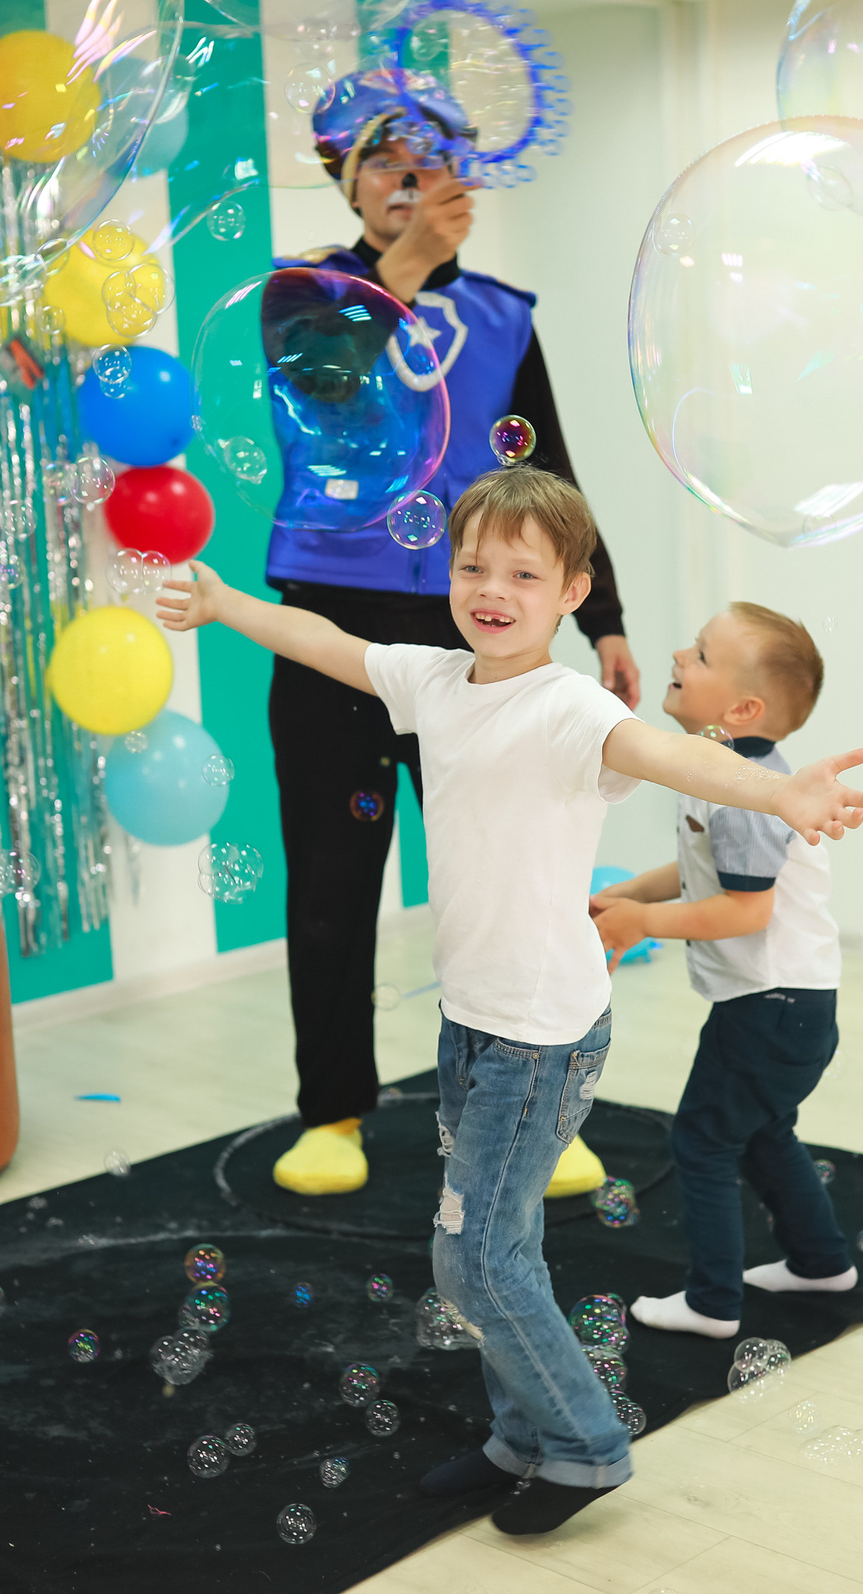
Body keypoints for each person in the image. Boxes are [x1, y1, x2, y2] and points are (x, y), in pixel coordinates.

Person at [159, 466, 863, 1533]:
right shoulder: (436, 681)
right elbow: (326, 643)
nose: (491, 589)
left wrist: (779, 789)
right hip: (473, 1019)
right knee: (496, 1243)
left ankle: (585, 1446)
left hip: (543, 1032)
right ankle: (518, 1437)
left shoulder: (570, 706)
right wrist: (220, 607)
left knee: (472, 1254)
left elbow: (673, 754)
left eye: (523, 574)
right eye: (471, 567)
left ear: (572, 591)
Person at [264, 69, 642, 1200]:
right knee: (332, 882)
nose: (416, 178)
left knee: (512, 878)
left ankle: (538, 1100)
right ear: (344, 179)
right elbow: (327, 383)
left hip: (480, 635)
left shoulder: (502, 314)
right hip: (330, 627)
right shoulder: (300, 294)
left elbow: (550, 474)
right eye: (387, 158)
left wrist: (607, 617)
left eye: (436, 159)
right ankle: (331, 1111)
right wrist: (410, 269)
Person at [589, 604, 856, 1340]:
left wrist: (643, 925)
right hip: (791, 1005)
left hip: (768, 1005)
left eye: (701, 654)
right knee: (764, 1131)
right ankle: (820, 1259)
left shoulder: (746, 796)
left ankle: (711, 1302)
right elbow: (698, 869)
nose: (679, 653)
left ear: (741, 709)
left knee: (702, 1138)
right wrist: (631, 894)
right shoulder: (731, 778)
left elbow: (744, 911)